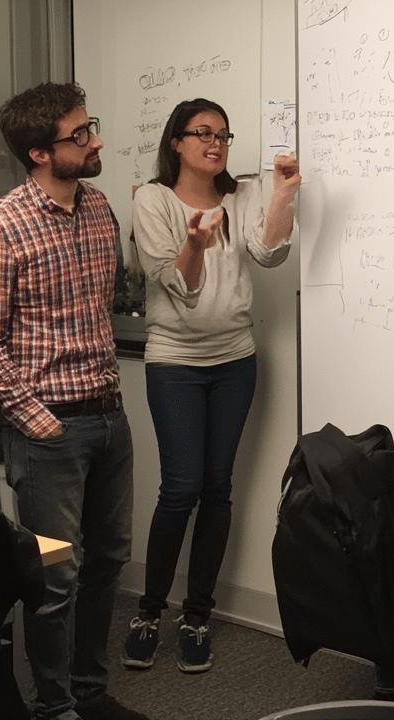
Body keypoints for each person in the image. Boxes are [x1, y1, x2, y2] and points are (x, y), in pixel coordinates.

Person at [0, 83, 143, 720]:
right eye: (79, 134)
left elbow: (105, 305)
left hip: (108, 416)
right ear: (39, 153)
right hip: (49, 431)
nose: (94, 141)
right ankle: (54, 707)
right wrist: (41, 423)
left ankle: (92, 694)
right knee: (54, 577)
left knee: (107, 564)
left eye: (90, 126)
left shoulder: (98, 210)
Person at [120, 98, 299, 673]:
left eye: (222, 133)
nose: (215, 142)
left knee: (217, 488)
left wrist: (284, 192)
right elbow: (179, 287)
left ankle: (197, 614)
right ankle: (149, 610)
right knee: (180, 489)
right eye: (201, 132)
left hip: (235, 361)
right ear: (176, 142)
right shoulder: (152, 201)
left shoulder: (241, 194)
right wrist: (195, 243)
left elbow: (269, 254)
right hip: (173, 360)